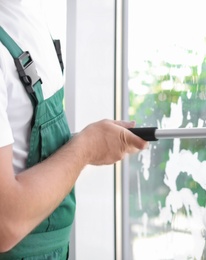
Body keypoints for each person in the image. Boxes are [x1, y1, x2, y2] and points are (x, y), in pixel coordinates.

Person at [0, 0, 148, 258]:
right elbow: (5, 223)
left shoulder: (29, 11)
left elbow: (20, 146)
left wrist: (83, 144)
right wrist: (86, 148)